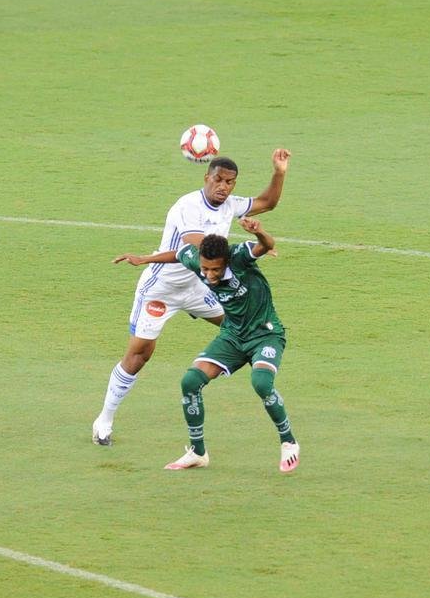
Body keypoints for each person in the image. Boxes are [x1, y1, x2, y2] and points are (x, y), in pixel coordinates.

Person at [91, 148, 291, 446]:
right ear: (206, 177)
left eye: (229, 182)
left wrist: (279, 173)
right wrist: (247, 251)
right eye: (218, 180)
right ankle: (104, 420)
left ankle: (261, 370)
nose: (223, 187)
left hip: (202, 286)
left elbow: (268, 202)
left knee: (242, 325)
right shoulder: (187, 206)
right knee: (140, 354)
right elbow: (196, 244)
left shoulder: (230, 204)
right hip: (163, 289)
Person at [114, 217, 299, 473]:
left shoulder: (239, 257)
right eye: (205, 269)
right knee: (190, 382)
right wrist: (145, 259)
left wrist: (259, 233)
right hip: (232, 336)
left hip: (265, 335)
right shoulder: (197, 260)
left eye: (216, 270)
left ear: (226, 262)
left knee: (261, 383)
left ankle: (288, 441)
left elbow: (267, 245)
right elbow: (179, 254)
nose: (209, 275)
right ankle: (198, 452)